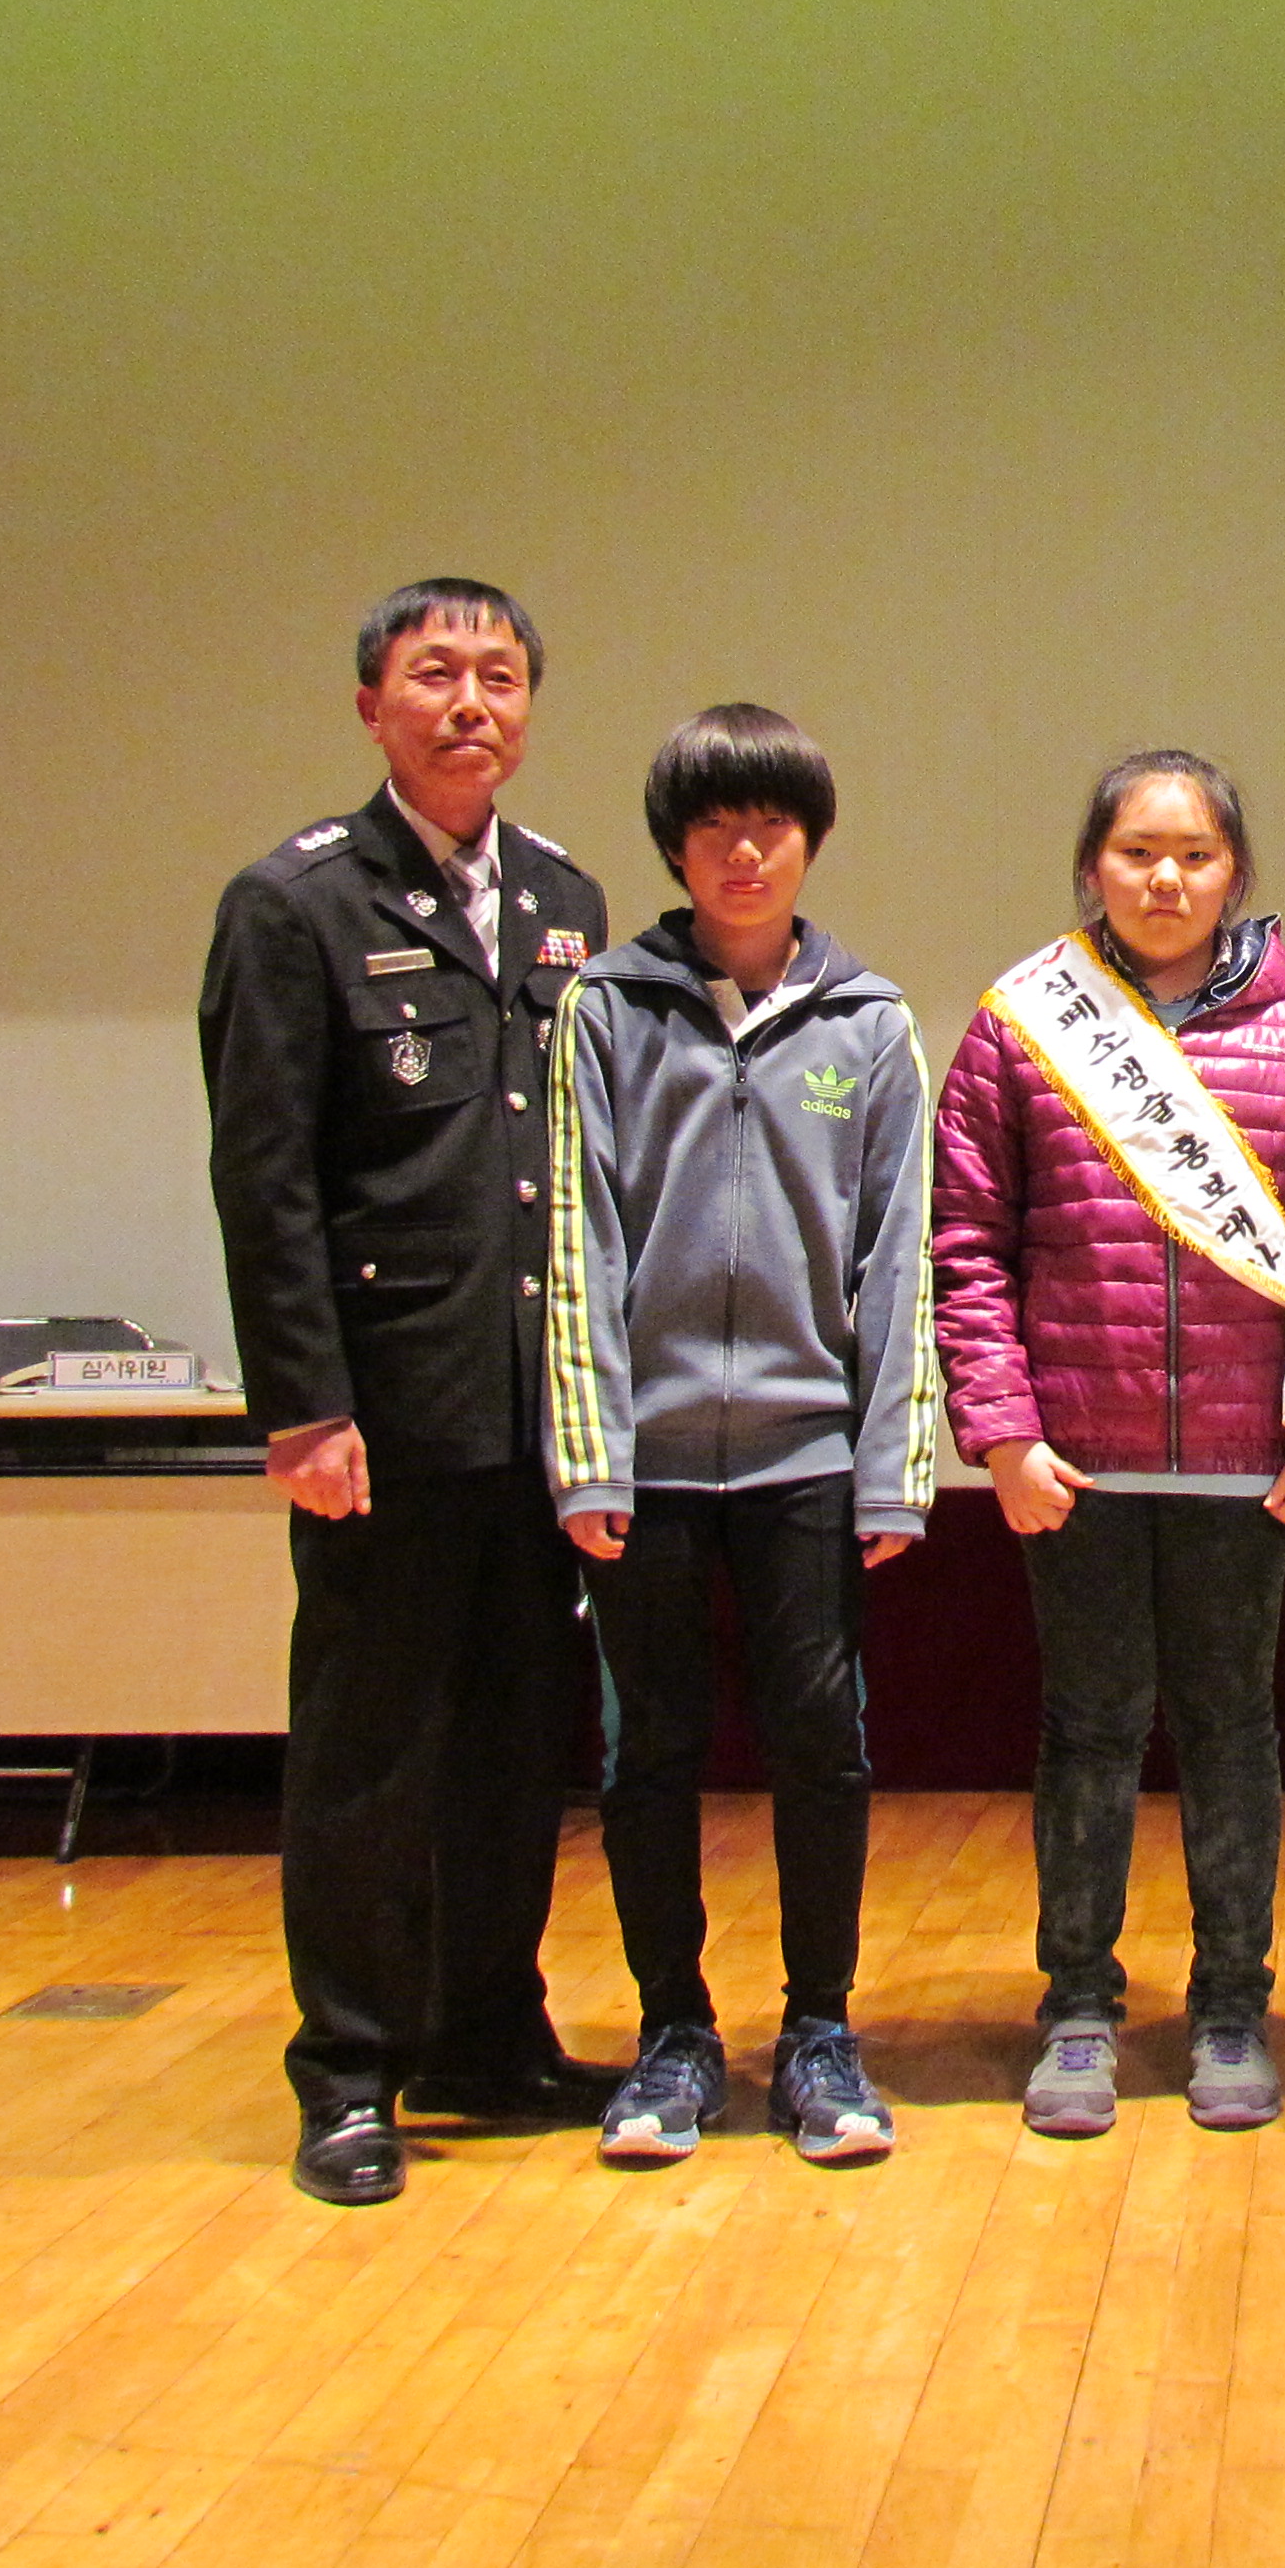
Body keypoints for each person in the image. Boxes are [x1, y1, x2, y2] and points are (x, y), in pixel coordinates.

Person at [200, 577, 615, 2208]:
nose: (471, 703)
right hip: (386, 1412)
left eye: (500, 676)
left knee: (517, 1745)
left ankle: (487, 2035)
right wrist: (304, 1407)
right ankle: (351, 2072)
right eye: (436, 673)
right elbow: (266, 1181)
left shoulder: (567, 899)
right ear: (372, 704)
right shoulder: (293, 904)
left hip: (535, 1412)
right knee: (371, 1751)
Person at [933, 752, 1285, 2137]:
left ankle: (1232, 2004)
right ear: (1091, 866)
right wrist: (1002, 1431)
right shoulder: (1021, 1026)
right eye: (1136, 851)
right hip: (1080, 1465)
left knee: (1234, 1731)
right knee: (1089, 1733)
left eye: (1194, 854)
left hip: (1247, 1464)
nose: (1165, 877)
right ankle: (1077, 2007)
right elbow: (968, 1246)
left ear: (1236, 872)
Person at [543, 703, 941, 2167]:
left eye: (772, 823)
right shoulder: (604, 1009)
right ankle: (673, 2035)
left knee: (820, 1749)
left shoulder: (870, 1023)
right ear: (675, 848)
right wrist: (588, 1453)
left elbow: (899, 1258)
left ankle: (821, 2033)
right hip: (642, 1466)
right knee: (646, 1751)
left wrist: (895, 1467)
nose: (745, 851)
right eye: (715, 826)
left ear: (810, 841)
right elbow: (576, 1240)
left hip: (808, 1460)